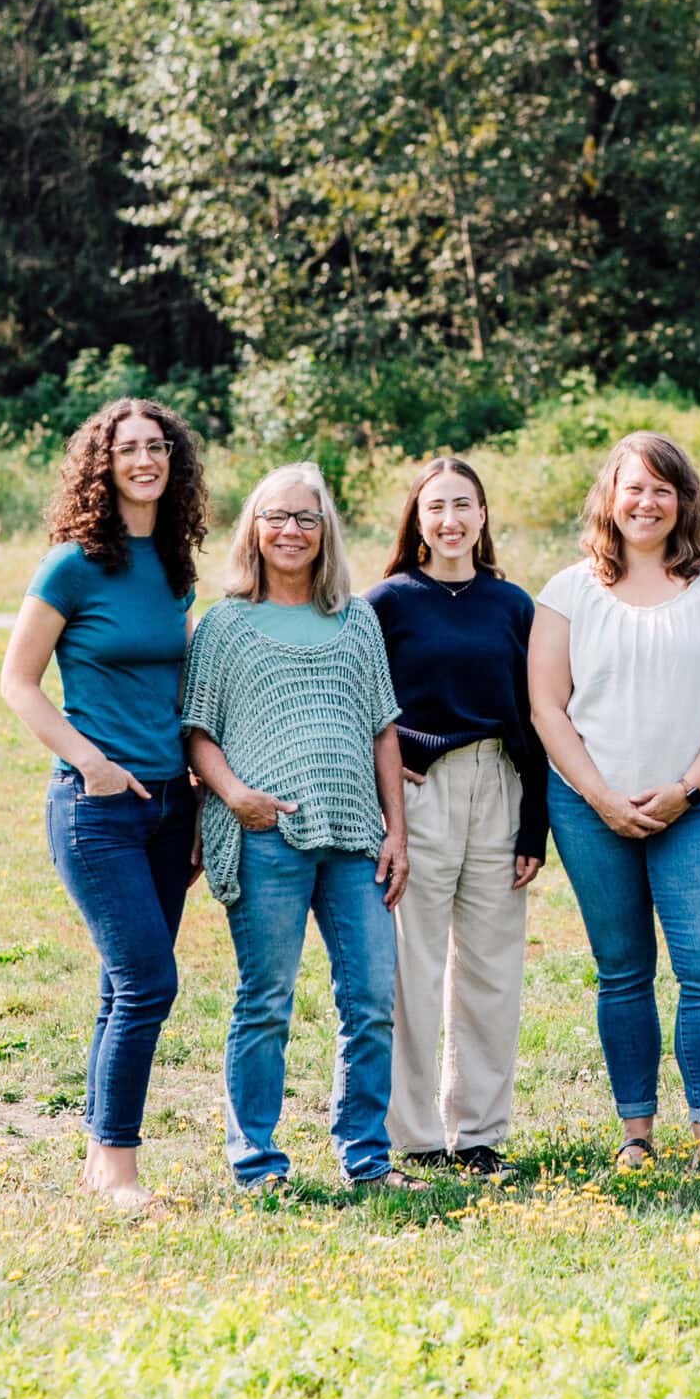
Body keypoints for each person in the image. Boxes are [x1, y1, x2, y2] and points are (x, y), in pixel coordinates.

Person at [529, 432, 700, 1181]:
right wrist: (600, 797)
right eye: (634, 487)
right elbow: (547, 707)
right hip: (588, 809)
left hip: (689, 809)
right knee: (623, 970)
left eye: (663, 489)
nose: (647, 502)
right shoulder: (568, 592)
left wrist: (690, 789)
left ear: (682, 501)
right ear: (610, 497)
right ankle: (636, 1132)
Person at [0, 399, 209, 1210]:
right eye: (128, 449)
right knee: (149, 981)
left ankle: (97, 1160)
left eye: (157, 447)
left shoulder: (176, 563)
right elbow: (18, 683)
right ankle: (120, 1169)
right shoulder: (72, 564)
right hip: (97, 808)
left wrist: (192, 788)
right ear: (103, 462)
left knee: (122, 989)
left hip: (171, 805)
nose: (145, 460)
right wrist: (91, 763)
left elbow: (179, 685)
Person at [182, 463, 412, 1194]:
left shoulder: (357, 618)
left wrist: (396, 832)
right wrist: (237, 796)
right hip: (263, 836)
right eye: (276, 517)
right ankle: (257, 1163)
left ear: (325, 533)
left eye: (306, 519)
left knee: (372, 998)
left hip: (354, 840)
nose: (290, 531)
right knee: (267, 1001)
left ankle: (366, 1158)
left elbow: (383, 731)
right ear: (254, 529)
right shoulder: (225, 624)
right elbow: (197, 734)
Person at [366, 456, 547, 1179]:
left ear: (483, 516)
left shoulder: (512, 605)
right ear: (417, 518)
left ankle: (476, 1131)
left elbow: (535, 717)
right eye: (436, 506)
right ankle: (409, 1134)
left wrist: (534, 824)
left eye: (463, 505)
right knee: (413, 964)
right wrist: (385, 785)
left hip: (499, 786)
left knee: (493, 966)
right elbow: (358, 705)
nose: (450, 520)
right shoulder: (386, 603)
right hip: (419, 793)